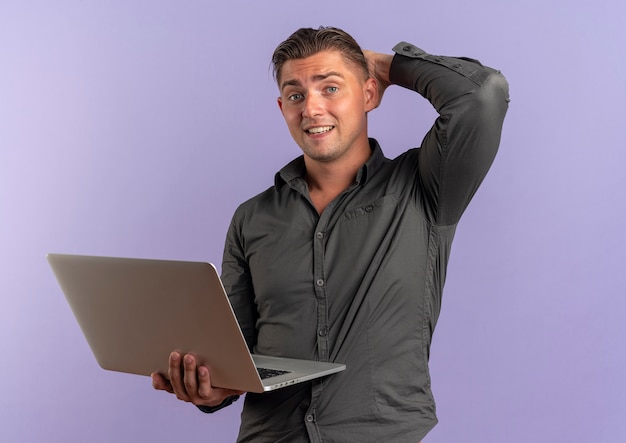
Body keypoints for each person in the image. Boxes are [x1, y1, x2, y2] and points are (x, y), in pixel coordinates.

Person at [152, 26, 509, 442]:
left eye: (331, 88)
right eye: (296, 95)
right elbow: (236, 359)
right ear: (282, 106)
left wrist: (385, 64)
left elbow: (483, 95)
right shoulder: (252, 218)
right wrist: (209, 392)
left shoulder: (423, 188)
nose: (311, 109)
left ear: (369, 95)